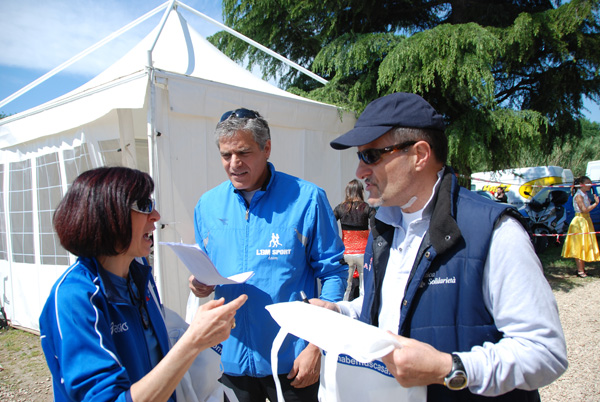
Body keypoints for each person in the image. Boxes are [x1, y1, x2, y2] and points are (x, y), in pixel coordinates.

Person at [311, 92, 568, 400]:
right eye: (360, 157)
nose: (360, 172)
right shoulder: (383, 228)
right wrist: (340, 311)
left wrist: (450, 369)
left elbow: (545, 352)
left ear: (420, 154)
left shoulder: (494, 230)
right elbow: (384, 308)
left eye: (371, 156)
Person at [39, 167, 246, 402]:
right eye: (143, 205)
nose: (156, 215)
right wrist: (193, 341)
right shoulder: (75, 298)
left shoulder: (139, 277)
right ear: (107, 216)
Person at [188, 108, 347, 402]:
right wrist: (200, 283)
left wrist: (317, 345)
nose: (234, 164)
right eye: (226, 155)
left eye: (243, 152)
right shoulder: (207, 205)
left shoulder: (307, 199)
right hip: (231, 363)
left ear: (267, 148)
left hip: (292, 363)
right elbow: (206, 269)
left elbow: (334, 274)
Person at [334, 179, 376, 300]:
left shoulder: (340, 208)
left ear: (348, 191)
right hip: (363, 253)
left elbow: (329, 223)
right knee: (364, 288)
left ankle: (344, 310)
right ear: (361, 191)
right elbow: (375, 228)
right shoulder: (367, 208)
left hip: (346, 252)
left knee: (347, 287)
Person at [562, 175, 600, 278]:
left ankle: (582, 268)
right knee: (579, 245)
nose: (590, 185)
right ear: (582, 185)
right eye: (588, 183)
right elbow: (584, 209)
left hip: (586, 220)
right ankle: (580, 270)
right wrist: (596, 204)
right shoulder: (578, 196)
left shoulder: (585, 194)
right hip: (580, 221)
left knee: (585, 244)